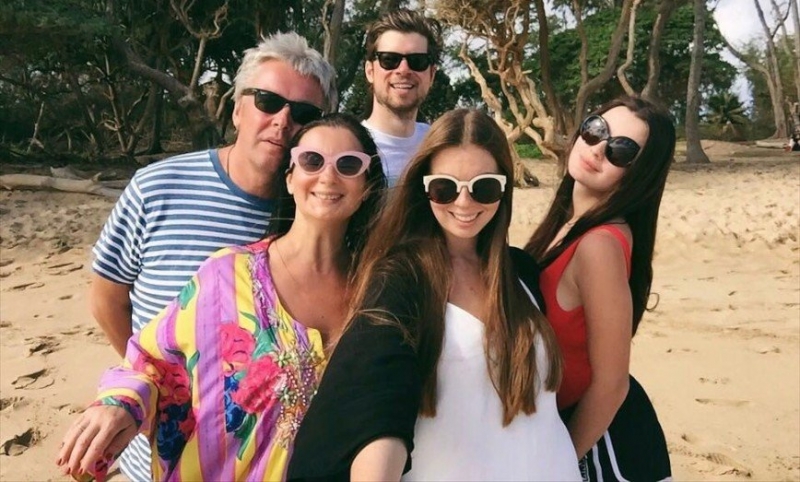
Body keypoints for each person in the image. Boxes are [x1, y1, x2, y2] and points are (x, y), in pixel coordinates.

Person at [55, 113, 387, 481]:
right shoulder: (228, 274)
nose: (328, 176)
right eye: (312, 160)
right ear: (290, 177)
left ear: (366, 185)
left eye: (348, 165)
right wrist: (119, 406)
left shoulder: (379, 292)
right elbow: (154, 363)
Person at [88, 32, 336, 481]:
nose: (283, 121)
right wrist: (155, 387)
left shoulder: (316, 212)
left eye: (304, 113)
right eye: (267, 101)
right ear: (237, 108)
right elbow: (107, 297)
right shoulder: (157, 187)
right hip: (155, 456)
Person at [287, 109, 581, 481]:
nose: (464, 202)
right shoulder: (403, 278)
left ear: (504, 189)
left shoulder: (521, 271)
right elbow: (377, 399)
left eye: (484, 187)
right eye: (445, 188)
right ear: (423, 189)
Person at [524, 95, 674, 481]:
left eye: (621, 151)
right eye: (595, 130)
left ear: (639, 174)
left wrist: (559, 465)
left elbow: (611, 386)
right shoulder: (569, 225)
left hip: (601, 443)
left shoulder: (598, 246)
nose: (597, 150)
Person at [361, 8, 443, 187]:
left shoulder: (442, 146)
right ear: (370, 71)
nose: (404, 70)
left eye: (418, 61)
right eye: (389, 59)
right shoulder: (349, 148)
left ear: (432, 75)